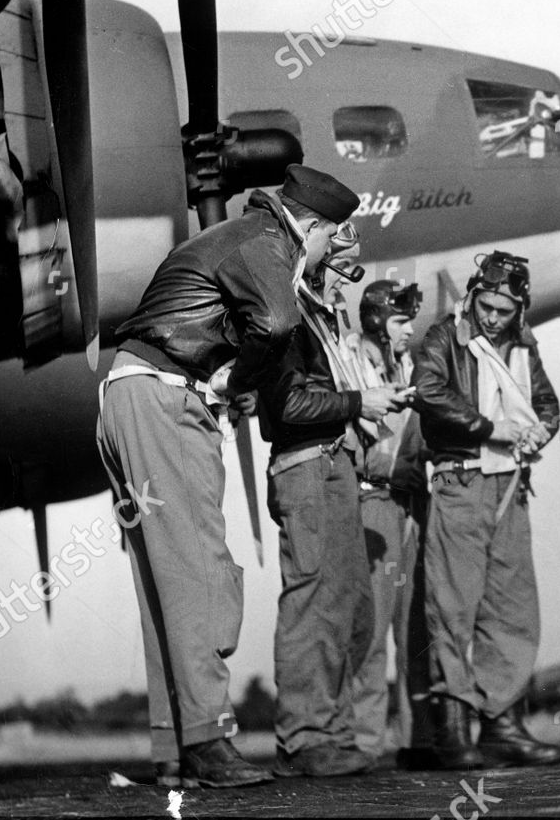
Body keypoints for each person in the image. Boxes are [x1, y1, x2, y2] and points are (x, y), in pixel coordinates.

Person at [96, 164, 357, 788]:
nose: (324, 256)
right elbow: (275, 324)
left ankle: (175, 748)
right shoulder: (268, 242)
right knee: (200, 572)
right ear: (313, 225)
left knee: (163, 578)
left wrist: (227, 379)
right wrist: (236, 381)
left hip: (127, 395)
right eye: (328, 240)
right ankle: (210, 744)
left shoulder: (233, 239)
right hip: (167, 402)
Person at [256, 220, 410, 777]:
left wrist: (360, 404)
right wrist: (355, 403)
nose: (346, 279)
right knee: (314, 601)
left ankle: (332, 731)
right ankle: (302, 738)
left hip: (336, 462)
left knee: (350, 604)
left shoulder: (322, 314)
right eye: (339, 261)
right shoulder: (285, 310)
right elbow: (290, 405)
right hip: (308, 465)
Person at [412, 251, 560, 768]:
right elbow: (429, 393)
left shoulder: (524, 346)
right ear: (473, 295)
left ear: (519, 308)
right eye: (486, 305)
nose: (493, 317)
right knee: (452, 605)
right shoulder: (441, 337)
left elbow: (547, 402)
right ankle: (454, 727)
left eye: (504, 309)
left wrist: (542, 427)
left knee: (513, 606)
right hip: (460, 481)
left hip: (511, 487)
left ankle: (503, 722)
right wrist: (491, 428)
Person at [343, 280, 436, 766]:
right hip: (373, 500)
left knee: (415, 624)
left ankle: (419, 739)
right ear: (378, 319)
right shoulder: (348, 359)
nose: (409, 331)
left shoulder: (411, 363)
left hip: (412, 503)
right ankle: (364, 741)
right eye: (401, 321)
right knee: (373, 626)